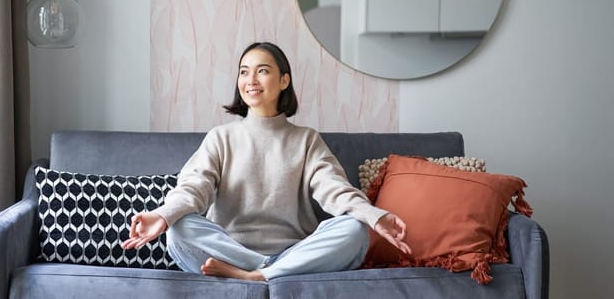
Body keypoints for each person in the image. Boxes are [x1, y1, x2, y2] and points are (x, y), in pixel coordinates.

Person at [121, 42, 411, 281]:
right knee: (180, 230)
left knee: (354, 230)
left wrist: (374, 216)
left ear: (284, 80)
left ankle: (258, 275)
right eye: (244, 72)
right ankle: (273, 271)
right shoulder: (220, 138)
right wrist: (162, 216)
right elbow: (193, 189)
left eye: (262, 71)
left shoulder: (306, 140)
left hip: (295, 248)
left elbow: (334, 189)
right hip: (231, 249)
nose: (251, 80)